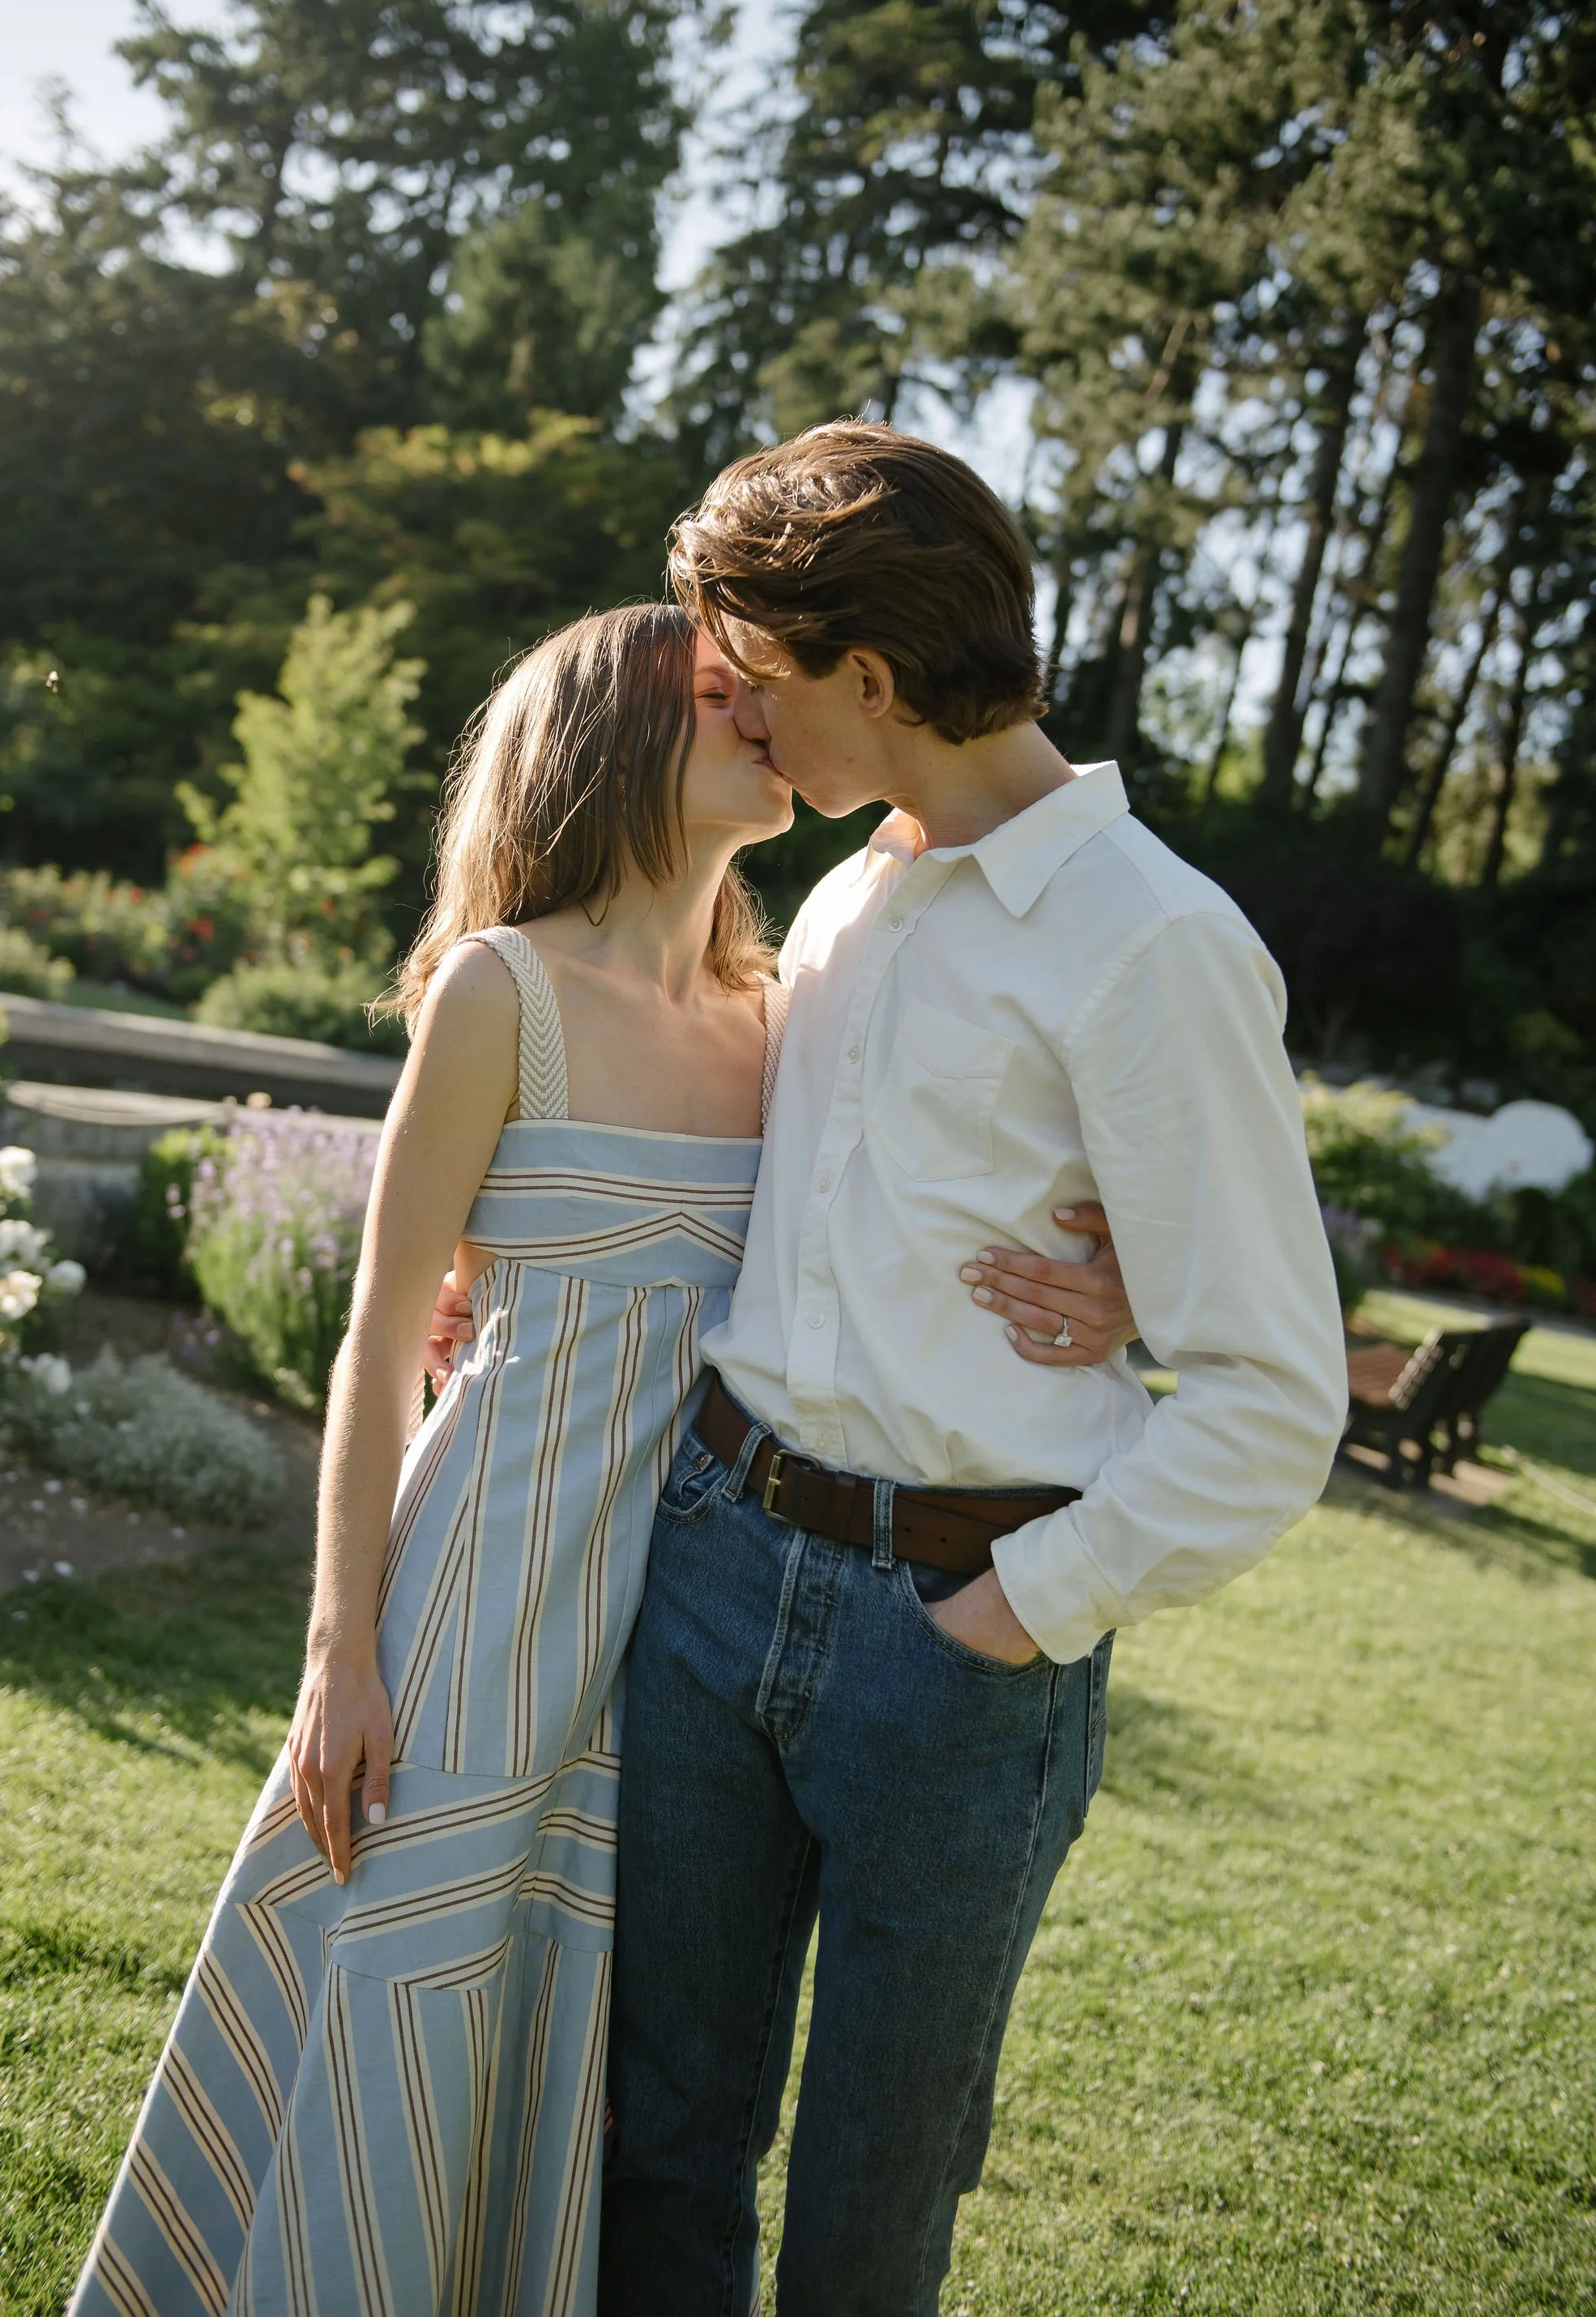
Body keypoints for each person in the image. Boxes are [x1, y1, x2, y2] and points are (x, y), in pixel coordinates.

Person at [70, 600, 1134, 2317]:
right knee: (411, 1980)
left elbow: (920, 1216)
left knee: (593, 2060)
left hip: (691, 1621)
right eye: (725, 700)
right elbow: (376, 1335)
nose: (769, 724)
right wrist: (340, 1654)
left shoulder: (779, 1013)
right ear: (615, 742)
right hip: (485, 1584)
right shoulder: (504, 991)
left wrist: (1121, 1276)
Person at [584, 425, 1349, 2317]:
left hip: (955, 1638)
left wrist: (1009, 1617)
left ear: (870, 675)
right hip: (709, 1576)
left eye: (758, 688)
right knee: (656, 2138)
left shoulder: (1154, 945)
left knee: (869, 2204)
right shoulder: (852, 890)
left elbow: (1271, 1396)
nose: (744, 731)